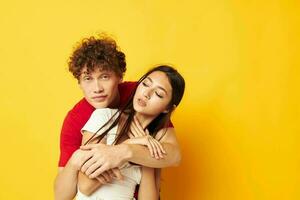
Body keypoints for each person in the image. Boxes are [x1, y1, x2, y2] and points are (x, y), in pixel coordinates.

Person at [54, 35, 182, 200]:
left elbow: (174, 156)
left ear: (120, 76)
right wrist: (77, 160)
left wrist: (126, 152)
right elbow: (72, 191)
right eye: (88, 79)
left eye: (105, 77)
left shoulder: (139, 97)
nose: (97, 88)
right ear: (79, 83)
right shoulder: (77, 119)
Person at [76, 65, 185, 199]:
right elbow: (85, 186)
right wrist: (127, 147)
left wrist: (146, 156)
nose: (146, 94)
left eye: (158, 94)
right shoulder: (104, 116)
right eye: (145, 84)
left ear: (167, 108)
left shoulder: (153, 145)